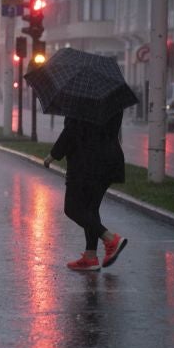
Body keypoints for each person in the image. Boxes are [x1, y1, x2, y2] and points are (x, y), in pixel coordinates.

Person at [44, 111, 127, 271]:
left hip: (86, 163)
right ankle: (90, 256)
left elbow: (71, 131)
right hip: (110, 161)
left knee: (72, 208)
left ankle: (110, 239)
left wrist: (53, 155)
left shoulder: (82, 102)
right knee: (90, 209)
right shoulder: (112, 100)